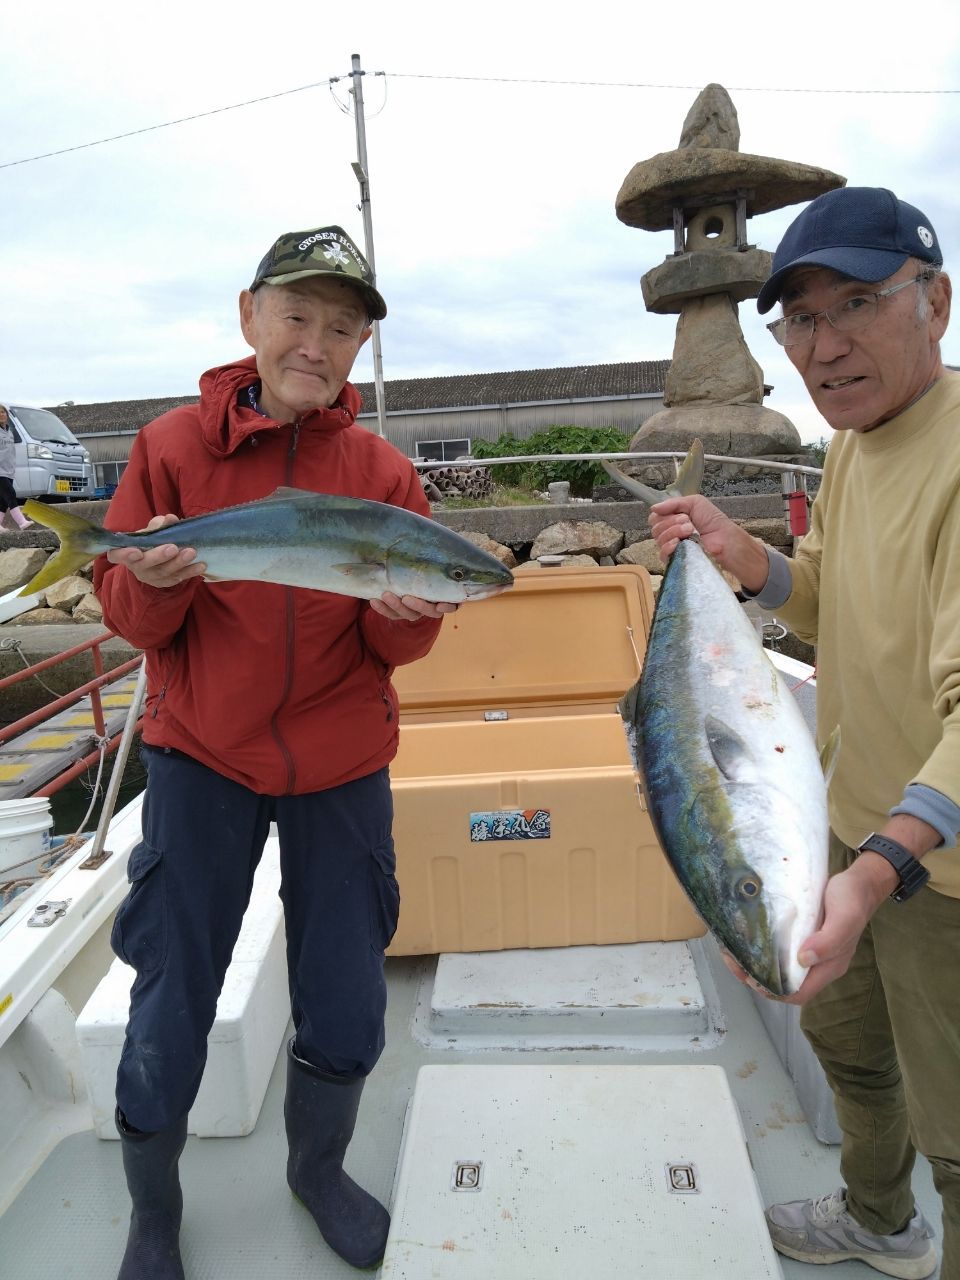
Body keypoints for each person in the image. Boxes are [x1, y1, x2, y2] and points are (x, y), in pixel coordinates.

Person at [93, 225, 457, 1279]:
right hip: (201, 755)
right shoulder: (169, 449)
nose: (317, 340)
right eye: (298, 315)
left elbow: (397, 641)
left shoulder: (384, 473)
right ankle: (152, 1211)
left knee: (346, 985)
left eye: (342, 326)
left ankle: (318, 1167)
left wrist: (404, 612)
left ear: (359, 348)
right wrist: (146, 584)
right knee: (172, 987)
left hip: (342, 764)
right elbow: (134, 622)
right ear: (248, 314)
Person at [648, 187, 959, 1280]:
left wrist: (877, 873)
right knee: (854, 1055)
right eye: (803, 320)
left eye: (859, 304)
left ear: (937, 303)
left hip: (937, 864)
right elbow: (824, 599)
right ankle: (881, 1220)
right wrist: (741, 556)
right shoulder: (854, 447)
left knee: (959, 1128)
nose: (826, 347)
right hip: (847, 823)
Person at [0, 404, 33, 530]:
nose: (1, 414)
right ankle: (22, 522)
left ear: (7, 415)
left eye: (3, 412)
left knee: (2, 501)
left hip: (9, 470)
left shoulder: (10, 431)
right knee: (11, 494)